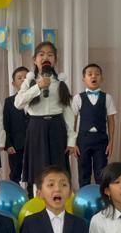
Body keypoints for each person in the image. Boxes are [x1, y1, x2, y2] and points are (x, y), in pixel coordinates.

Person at [14, 42, 76, 195]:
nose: (45, 57)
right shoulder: (29, 82)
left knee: (57, 169)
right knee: (38, 170)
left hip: (57, 127)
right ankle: (38, 200)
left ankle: (58, 199)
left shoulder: (60, 83)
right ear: (35, 60)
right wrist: (38, 87)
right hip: (36, 128)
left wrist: (71, 140)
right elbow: (18, 103)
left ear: (55, 60)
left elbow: (68, 113)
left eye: (50, 54)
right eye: (41, 54)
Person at [71, 63, 117, 186]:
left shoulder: (107, 98)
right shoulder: (78, 98)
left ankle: (101, 195)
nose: (93, 76)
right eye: (90, 74)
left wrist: (111, 142)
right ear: (83, 79)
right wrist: (73, 143)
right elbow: (72, 121)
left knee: (101, 172)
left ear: (102, 78)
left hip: (101, 140)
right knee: (83, 171)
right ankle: (83, 196)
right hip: (83, 140)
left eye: (97, 74)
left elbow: (111, 120)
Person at [2, 67, 30, 192]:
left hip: (34, 144)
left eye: (26, 77)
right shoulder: (9, 101)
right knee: (15, 173)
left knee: (33, 173)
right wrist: (8, 144)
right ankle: (15, 196)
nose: (23, 80)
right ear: (14, 84)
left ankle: (32, 197)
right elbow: (6, 124)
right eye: (20, 78)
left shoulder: (37, 99)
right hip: (16, 145)